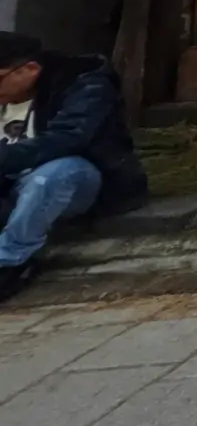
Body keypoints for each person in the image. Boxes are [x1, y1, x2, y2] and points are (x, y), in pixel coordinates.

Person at [0, 34, 148, 302]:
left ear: (30, 70)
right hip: (10, 184)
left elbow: (68, 139)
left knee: (53, 175)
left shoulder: (84, 84)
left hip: (81, 178)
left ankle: (9, 262)